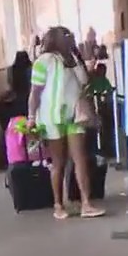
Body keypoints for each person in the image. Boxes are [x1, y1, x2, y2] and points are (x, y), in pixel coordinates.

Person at [27, 27, 105, 220]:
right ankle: (59, 204)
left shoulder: (72, 59)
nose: (71, 40)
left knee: (78, 160)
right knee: (60, 162)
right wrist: (31, 118)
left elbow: (84, 81)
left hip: (73, 116)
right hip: (53, 117)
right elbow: (35, 93)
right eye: (67, 38)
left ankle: (84, 203)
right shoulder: (43, 62)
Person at [0, 51, 33, 131]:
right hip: (27, 98)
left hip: (16, 96)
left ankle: (8, 131)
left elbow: (10, 83)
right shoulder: (30, 69)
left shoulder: (11, 69)